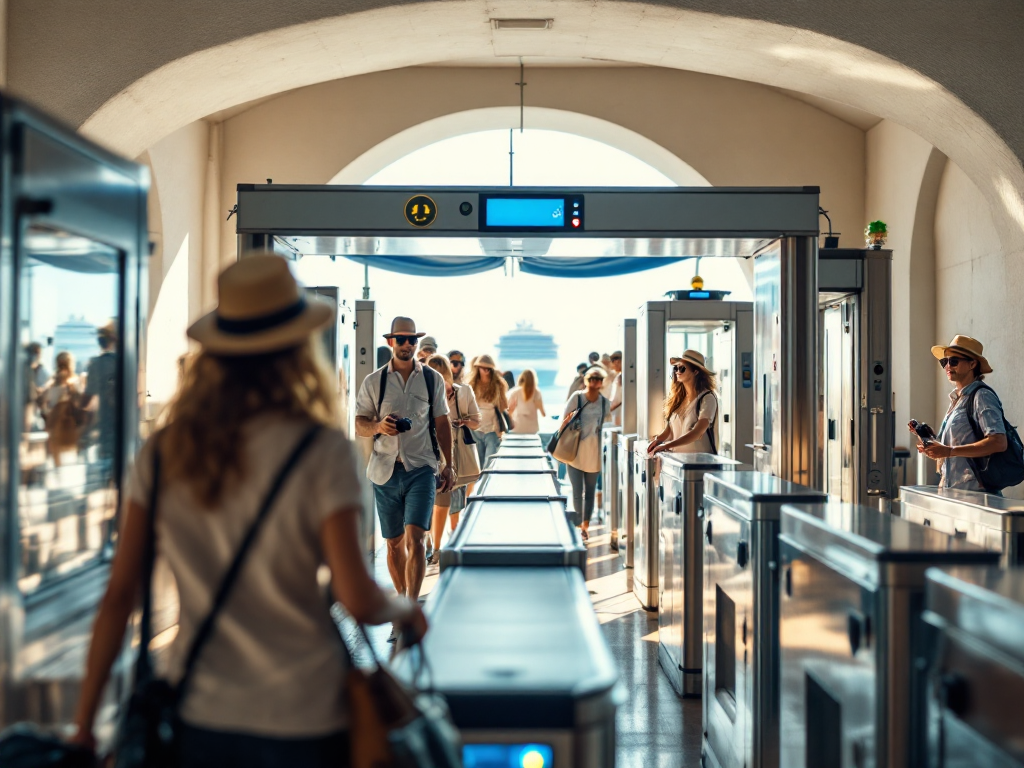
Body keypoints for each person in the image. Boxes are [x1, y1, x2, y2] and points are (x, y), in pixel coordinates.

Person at [70, 255, 427, 766]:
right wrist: (407, 609)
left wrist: (83, 726)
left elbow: (118, 596)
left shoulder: (167, 450)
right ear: (299, 351)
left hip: (200, 711)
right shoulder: (321, 450)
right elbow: (358, 598)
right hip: (305, 711)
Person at [355, 317, 454, 630]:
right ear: (391, 342)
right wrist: (379, 426)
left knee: (417, 537)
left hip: (421, 468)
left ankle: (411, 608)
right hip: (384, 469)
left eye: (412, 339)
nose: (408, 344)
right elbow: (359, 424)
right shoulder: (374, 381)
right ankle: (400, 603)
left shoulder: (432, 380)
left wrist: (448, 464)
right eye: (402, 339)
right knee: (394, 544)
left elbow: (442, 423)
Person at [908, 335, 1008, 491]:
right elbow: (955, 449)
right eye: (944, 362)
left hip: (975, 494)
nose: (948, 366)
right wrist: (935, 445)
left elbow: (999, 442)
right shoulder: (958, 399)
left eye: (953, 361)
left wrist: (949, 451)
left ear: (972, 364)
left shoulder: (981, 396)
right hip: (953, 491)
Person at [424, 354, 481, 564]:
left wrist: (463, 421)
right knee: (435, 502)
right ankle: (433, 542)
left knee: (447, 502)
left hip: (453, 455)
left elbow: (477, 421)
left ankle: (440, 547)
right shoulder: (422, 393)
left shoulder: (463, 392)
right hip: (427, 453)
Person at [558, 366, 609, 541]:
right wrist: (560, 439)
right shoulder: (577, 398)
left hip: (594, 452)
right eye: (592, 378)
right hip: (575, 451)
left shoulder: (604, 402)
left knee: (590, 491)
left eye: (599, 379)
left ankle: (586, 524)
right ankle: (579, 525)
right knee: (577, 491)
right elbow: (564, 419)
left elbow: (607, 426)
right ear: (587, 380)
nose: (595, 382)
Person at [649, 350, 719, 456]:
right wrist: (658, 440)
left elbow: (697, 432)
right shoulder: (680, 398)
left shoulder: (707, 398)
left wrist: (666, 445)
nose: (677, 371)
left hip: (699, 463)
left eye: (682, 368)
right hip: (679, 463)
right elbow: (670, 428)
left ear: (695, 371)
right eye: (676, 368)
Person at [81, 322, 118, 462]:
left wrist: (79, 411)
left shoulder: (96, 364)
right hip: (124, 423)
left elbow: (88, 396)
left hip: (105, 423)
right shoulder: (128, 362)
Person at [41, 351, 82, 467]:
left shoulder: (52, 383)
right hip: (68, 425)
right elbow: (80, 403)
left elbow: (45, 403)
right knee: (69, 458)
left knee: (57, 458)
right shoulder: (74, 382)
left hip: (56, 423)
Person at [468, 354, 508, 468]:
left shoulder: (499, 384)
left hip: (492, 429)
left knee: (490, 463)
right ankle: (478, 486)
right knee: (478, 464)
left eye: (488, 368)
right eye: (483, 368)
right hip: (476, 428)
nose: (486, 371)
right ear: (477, 368)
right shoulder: (471, 384)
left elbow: (504, 405)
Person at [508, 369, 546, 435]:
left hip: (517, 428)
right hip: (532, 429)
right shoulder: (537, 392)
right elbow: (543, 414)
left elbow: (509, 411)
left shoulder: (515, 392)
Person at [608, 351, 624, 427]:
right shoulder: (620, 376)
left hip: (620, 415)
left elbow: (616, 400)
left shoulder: (620, 377)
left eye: (612, 361)